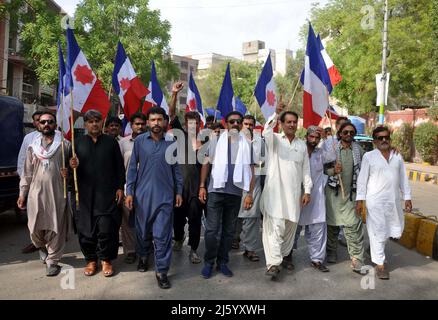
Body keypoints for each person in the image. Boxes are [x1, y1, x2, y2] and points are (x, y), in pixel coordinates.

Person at [125, 106, 183, 289]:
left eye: (159, 120)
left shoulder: (171, 142)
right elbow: (133, 168)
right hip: (142, 196)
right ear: (148, 122)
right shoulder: (141, 141)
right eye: (153, 120)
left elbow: (176, 170)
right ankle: (143, 256)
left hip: (165, 196)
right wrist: (129, 192)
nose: (156, 123)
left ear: (165, 122)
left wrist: (179, 191)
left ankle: (162, 271)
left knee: (162, 235)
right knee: (142, 232)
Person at [199, 111, 254, 279]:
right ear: (226, 123)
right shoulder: (215, 141)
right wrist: (202, 185)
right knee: (211, 231)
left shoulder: (247, 144)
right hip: (216, 191)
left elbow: (252, 169)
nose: (236, 124)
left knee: (229, 232)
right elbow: (206, 164)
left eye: (239, 122)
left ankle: (222, 262)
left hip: (235, 193)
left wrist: (250, 193)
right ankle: (209, 262)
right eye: (232, 122)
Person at [69, 110, 125, 278]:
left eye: (97, 121)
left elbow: (119, 168)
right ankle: (91, 260)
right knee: (86, 231)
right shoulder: (76, 144)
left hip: (107, 194)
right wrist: (71, 166)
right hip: (84, 196)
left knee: (106, 229)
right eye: (90, 121)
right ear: (85, 124)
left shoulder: (111, 143)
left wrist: (120, 187)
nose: (94, 124)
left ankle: (106, 259)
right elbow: (68, 172)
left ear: (102, 123)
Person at [261, 104, 312, 279]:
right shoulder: (274, 139)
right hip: (275, 194)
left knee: (289, 229)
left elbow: (306, 169)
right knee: (276, 226)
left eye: (294, 122)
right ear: (281, 124)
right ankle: (273, 263)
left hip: (293, 196)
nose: (291, 125)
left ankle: (281, 257)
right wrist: (275, 114)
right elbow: (265, 131)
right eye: (288, 122)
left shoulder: (302, 145)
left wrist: (307, 190)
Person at [17, 112, 71, 276]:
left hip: (57, 193)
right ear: (38, 125)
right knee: (34, 228)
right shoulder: (32, 147)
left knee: (56, 227)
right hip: (35, 194)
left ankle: (53, 261)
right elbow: (27, 172)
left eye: (50, 121)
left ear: (55, 124)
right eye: (43, 122)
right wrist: (22, 194)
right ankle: (41, 246)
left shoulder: (65, 144)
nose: (46, 124)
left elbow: (74, 168)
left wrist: (71, 168)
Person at [356, 126, 412, 280]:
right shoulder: (369, 156)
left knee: (391, 229)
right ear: (374, 141)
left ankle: (373, 250)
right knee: (378, 231)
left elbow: (403, 178)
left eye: (386, 137)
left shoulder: (396, 156)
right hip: (375, 202)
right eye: (380, 138)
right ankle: (380, 264)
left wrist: (407, 197)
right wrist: (360, 200)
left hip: (393, 201)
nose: (384, 140)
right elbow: (362, 180)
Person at [168, 82, 205, 264]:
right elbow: (172, 114)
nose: (193, 126)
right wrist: (174, 94)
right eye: (189, 123)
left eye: (196, 123)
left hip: (196, 191)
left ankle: (194, 249)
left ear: (200, 124)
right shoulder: (179, 136)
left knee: (196, 220)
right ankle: (178, 238)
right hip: (179, 189)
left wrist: (203, 188)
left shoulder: (204, 144)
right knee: (177, 219)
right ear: (184, 124)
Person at [324, 122, 366, 274]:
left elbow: (365, 169)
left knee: (353, 226)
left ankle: (356, 257)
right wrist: (332, 171)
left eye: (351, 133)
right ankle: (331, 252)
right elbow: (323, 168)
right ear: (340, 134)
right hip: (333, 194)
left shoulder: (359, 150)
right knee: (332, 226)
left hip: (351, 195)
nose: (349, 135)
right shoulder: (332, 149)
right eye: (346, 132)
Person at [292, 126, 329, 272]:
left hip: (316, 197)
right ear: (306, 136)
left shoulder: (322, 153)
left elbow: (333, 154)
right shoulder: (298, 150)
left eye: (317, 138)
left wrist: (326, 136)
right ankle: (287, 255)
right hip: (297, 195)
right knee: (293, 227)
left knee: (318, 227)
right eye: (311, 137)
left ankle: (317, 259)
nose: (314, 140)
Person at [118, 113, 147, 265]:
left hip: (147, 190)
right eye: (137, 124)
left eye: (143, 124)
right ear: (131, 125)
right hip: (127, 189)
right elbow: (117, 168)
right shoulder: (123, 143)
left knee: (145, 221)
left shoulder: (151, 141)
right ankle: (130, 251)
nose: (140, 127)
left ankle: (145, 248)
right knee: (128, 223)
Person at [234, 114, 263, 262]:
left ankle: (250, 249)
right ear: (241, 125)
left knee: (251, 216)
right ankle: (234, 239)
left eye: (251, 124)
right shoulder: (234, 139)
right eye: (246, 124)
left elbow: (265, 160)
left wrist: (258, 164)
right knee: (235, 216)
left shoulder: (259, 140)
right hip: (235, 183)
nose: (248, 127)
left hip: (254, 181)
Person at [18, 110, 44, 254]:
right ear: (34, 122)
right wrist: (24, 185)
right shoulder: (29, 138)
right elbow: (22, 160)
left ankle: (50, 246)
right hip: (33, 185)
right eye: (37, 120)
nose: (42, 122)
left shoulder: (57, 137)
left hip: (51, 185)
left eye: (44, 119)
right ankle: (35, 242)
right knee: (33, 216)